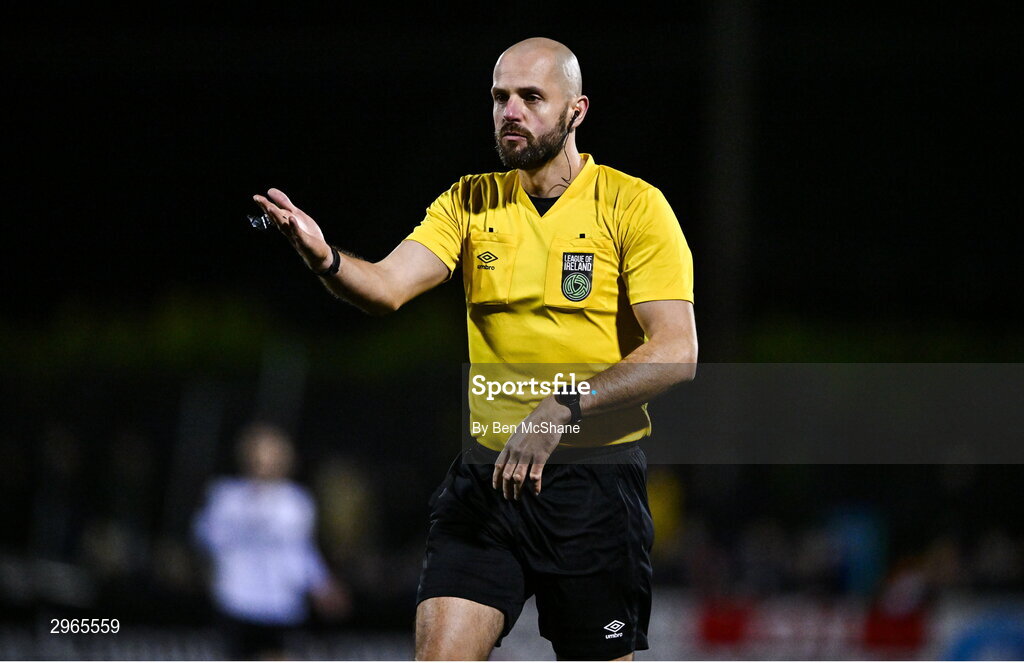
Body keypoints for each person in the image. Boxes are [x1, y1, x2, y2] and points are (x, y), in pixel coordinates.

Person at [253, 37, 697, 661]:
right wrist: (325, 258)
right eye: (499, 98)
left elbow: (677, 349)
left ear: (577, 110)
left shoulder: (634, 206)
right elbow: (384, 288)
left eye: (531, 98)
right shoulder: (470, 202)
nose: (510, 111)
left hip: (593, 490)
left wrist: (563, 407)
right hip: (488, 481)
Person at [193, 422, 349, 660]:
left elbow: (301, 551)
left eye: (273, 453)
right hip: (237, 601)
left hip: (281, 605)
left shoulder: (297, 501)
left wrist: (322, 584)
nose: (265, 461)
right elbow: (206, 537)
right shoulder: (226, 496)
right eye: (259, 453)